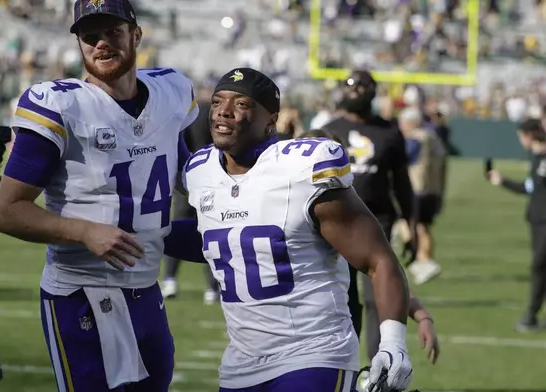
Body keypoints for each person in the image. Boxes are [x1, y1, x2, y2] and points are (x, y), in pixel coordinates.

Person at [0, 0, 201, 390]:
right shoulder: (60, 105)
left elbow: (184, 170)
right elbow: (6, 212)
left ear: (136, 35)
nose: (101, 43)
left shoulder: (170, 91)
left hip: (146, 286)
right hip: (81, 291)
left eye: (113, 32)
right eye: (90, 36)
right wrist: (84, 232)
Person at [183, 68, 413, 392]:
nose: (224, 110)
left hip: (313, 355)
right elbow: (217, 242)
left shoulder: (302, 169)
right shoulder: (200, 171)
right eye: (218, 100)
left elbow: (379, 259)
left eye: (242, 103)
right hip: (241, 363)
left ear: (270, 119)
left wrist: (393, 342)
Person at [319, 70, 423, 372]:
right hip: (334, 223)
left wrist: (411, 225)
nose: (354, 91)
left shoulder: (388, 132)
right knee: (340, 298)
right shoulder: (329, 129)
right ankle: (344, 365)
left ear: (372, 92)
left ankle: (381, 366)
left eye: (361, 86)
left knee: (379, 296)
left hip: (377, 222)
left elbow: (402, 183)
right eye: (349, 86)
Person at [161, 87, 220, 304]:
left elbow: (178, 148)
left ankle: (169, 280)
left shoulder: (187, 116)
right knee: (211, 235)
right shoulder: (215, 115)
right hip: (212, 182)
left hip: (188, 179)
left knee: (178, 228)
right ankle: (212, 288)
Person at [488, 118, 546, 331]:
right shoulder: (536, 156)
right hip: (537, 219)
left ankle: (531, 315)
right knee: (540, 267)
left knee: (539, 267)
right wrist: (502, 181)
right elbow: (530, 188)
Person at [398, 107, 445, 284]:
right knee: (423, 226)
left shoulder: (417, 139)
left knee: (409, 224)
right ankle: (425, 260)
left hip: (417, 188)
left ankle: (422, 260)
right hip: (433, 189)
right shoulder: (433, 137)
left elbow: (404, 157)